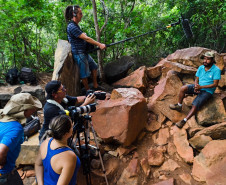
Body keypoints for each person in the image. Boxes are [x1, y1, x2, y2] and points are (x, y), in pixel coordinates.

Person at [169, 51, 221, 128]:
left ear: (213, 60)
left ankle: (184, 120)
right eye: (204, 58)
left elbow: (215, 84)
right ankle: (179, 106)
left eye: (208, 59)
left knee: (195, 104)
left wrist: (201, 87)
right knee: (183, 88)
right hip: (199, 87)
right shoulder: (201, 67)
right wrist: (196, 85)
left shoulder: (216, 70)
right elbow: (197, 78)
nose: (205, 61)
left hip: (208, 91)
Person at [0, 93, 42, 185]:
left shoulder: (2, 116)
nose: (34, 110)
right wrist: (2, 162)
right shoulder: (15, 128)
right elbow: (1, 152)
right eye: (32, 108)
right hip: (5, 174)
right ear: (24, 110)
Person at [65, 5, 107, 91]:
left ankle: (95, 86)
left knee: (94, 67)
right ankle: (88, 91)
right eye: (80, 13)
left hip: (84, 52)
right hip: (79, 53)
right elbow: (86, 38)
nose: (82, 15)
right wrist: (99, 44)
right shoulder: (71, 26)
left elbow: (82, 37)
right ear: (74, 14)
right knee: (84, 74)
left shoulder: (75, 25)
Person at [35, 115, 81, 185]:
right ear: (66, 134)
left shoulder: (46, 142)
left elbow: (38, 165)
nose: (73, 127)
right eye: (71, 126)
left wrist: (40, 183)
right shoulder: (69, 156)